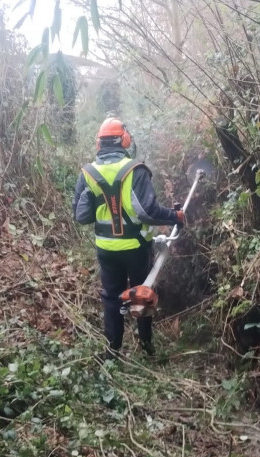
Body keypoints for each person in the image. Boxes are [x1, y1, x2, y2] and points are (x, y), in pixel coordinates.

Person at [72, 117, 184, 358]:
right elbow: (148, 212)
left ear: (99, 144)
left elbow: (81, 217)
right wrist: (175, 216)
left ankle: (112, 350)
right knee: (141, 294)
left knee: (111, 297)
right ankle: (146, 346)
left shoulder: (88, 173)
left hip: (106, 249)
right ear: (124, 140)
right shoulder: (135, 170)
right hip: (135, 247)